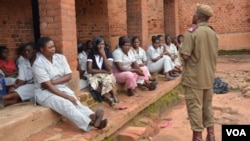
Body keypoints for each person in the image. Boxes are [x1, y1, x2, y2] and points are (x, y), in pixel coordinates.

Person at [32, 36, 107, 131]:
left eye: (53, 46)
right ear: (42, 49)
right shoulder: (38, 64)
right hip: (44, 93)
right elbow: (48, 86)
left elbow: (69, 76)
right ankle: (93, 123)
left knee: (76, 102)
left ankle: (94, 117)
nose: (53, 49)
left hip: (58, 87)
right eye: (49, 47)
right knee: (66, 104)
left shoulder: (60, 58)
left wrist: (52, 81)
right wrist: (66, 96)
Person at [180, 4, 218, 141]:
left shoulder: (192, 32)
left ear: (198, 16)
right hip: (208, 77)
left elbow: (185, 55)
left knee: (195, 108)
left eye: (195, 13)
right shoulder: (213, 33)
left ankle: (197, 137)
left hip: (194, 78)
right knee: (207, 107)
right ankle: (211, 135)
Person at [0, 42, 37, 107]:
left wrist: (16, 86)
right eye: (25, 51)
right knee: (14, 91)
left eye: (28, 51)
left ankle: (2, 98)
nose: (26, 52)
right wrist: (14, 87)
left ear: (34, 51)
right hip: (27, 84)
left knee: (18, 92)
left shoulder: (40, 61)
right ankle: (6, 102)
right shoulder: (23, 62)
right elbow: (21, 79)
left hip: (39, 85)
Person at [87, 37, 119, 106]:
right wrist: (104, 71)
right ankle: (108, 98)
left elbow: (109, 67)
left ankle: (113, 95)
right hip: (95, 75)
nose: (101, 46)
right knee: (93, 84)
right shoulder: (91, 54)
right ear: (95, 45)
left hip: (107, 75)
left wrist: (104, 55)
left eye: (103, 44)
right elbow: (89, 70)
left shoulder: (108, 52)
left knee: (107, 81)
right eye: (99, 44)